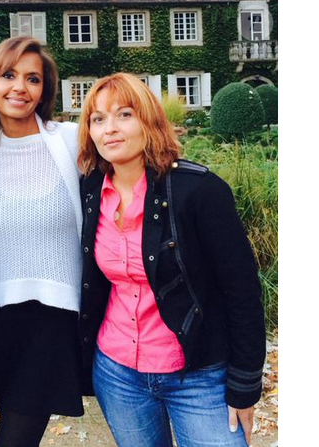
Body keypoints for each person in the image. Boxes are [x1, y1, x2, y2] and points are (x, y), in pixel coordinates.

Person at [77, 73, 267, 447]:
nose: (110, 129)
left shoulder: (199, 190)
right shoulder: (91, 190)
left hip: (198, 374)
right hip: (118, 373)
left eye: (124, 114)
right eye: (98, 119)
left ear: (149, 120)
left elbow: (242, 290)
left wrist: (245, 383)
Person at [0, 37, 84, 447]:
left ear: (45, 90)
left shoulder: (72, 141)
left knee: (18, 436)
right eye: (9, 75)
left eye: (33, 79)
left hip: (54, 314)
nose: (20, 88)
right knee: (13, 425)